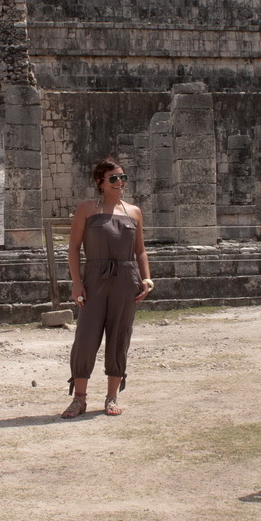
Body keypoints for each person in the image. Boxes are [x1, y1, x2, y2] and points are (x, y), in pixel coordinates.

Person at [62, 157, 154, 418]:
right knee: (86, 337)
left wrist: (146, 279)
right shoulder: (87, 209)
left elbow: (140, 250)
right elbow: (73, 247)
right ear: (100, 182)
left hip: (126, 278)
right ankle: (79, 399)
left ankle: (112, 397)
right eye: (113, 178)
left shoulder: (133, 211)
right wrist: (77, 282)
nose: (119, 182)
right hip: (94, 278)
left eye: (123, 177)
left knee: (119, 336)